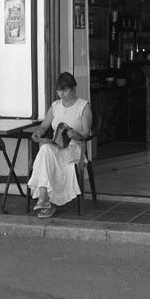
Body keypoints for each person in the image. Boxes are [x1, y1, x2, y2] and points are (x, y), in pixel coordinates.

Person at [27, 72, 93, 219]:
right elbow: (44, 126)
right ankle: (44, 197)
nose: (61, 94)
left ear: (73, 89)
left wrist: (76, 134)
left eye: (65, 90)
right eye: (59, 91)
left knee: (45, 154)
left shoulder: (83, 106)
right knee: (45, 149)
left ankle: (45, 199)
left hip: (74, 147)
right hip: (57, 146)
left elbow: (86, 132)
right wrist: (38, 133)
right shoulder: (55, 106)